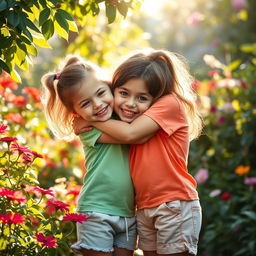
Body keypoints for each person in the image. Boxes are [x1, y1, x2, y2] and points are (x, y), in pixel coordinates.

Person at [73, 49, 203, 256]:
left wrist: (89, 119)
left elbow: (131, 135)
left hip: (173, 202)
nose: (130, 104)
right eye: (123, 93)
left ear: (156, 96)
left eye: (142, 97)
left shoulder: (169, 103)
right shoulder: (129, 117)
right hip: (144, 207)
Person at [41, 55, 138, 256]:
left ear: (109, 85)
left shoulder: (112, 116)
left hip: (128, 212)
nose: (97, 104)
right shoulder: (87, 131)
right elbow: (130, 134)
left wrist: (93, 120)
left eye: (101, 93)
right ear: (74, 112)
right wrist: (92, 123)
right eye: (85, 104)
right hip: (97, 210)